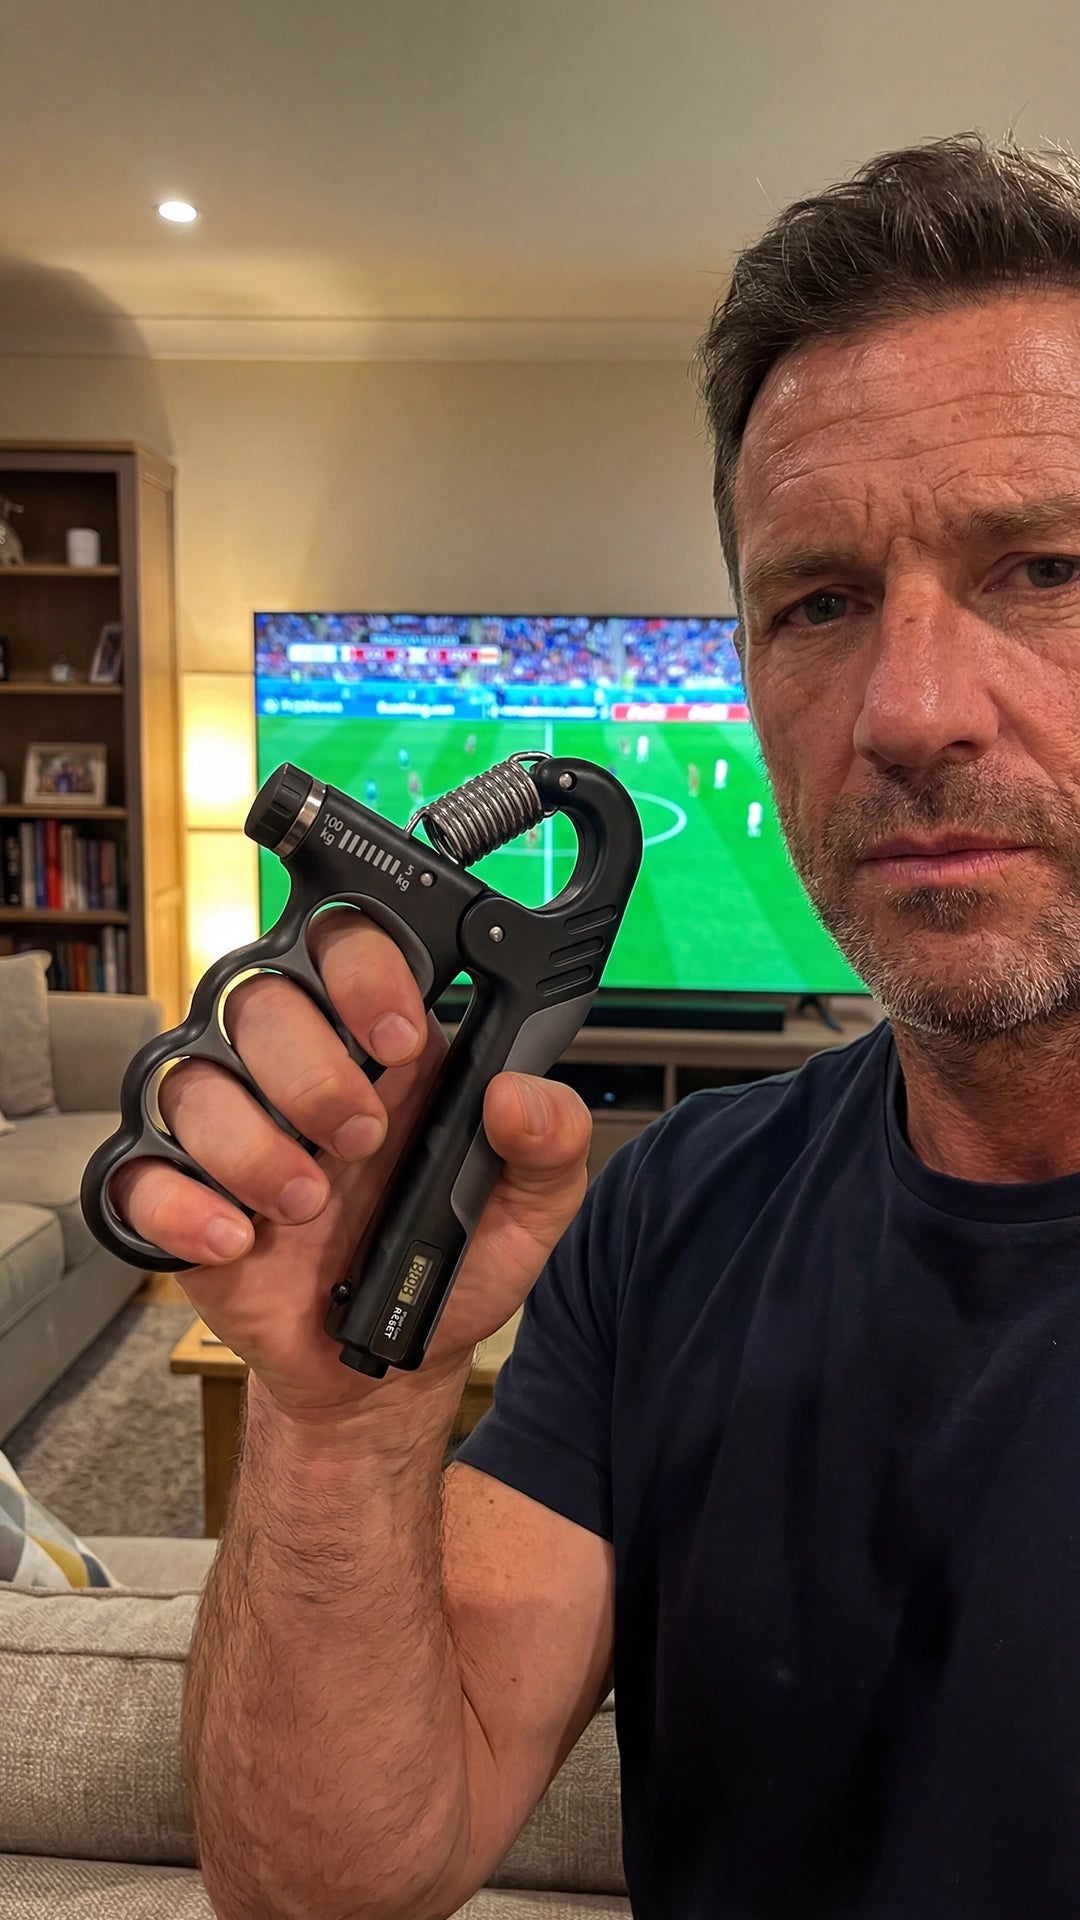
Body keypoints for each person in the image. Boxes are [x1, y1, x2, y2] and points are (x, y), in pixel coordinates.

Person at [112, 133, 1080, 1918]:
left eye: (1046, 567)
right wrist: (341, 1425)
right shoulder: (670, 1209)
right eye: (818, 602)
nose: (909, 709)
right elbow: (331, 1886)